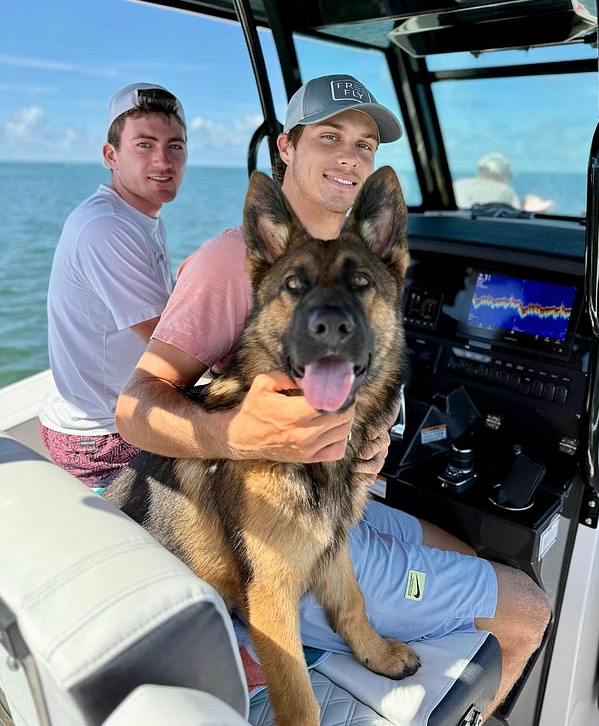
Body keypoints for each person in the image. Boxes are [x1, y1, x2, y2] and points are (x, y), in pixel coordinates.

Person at [116, 74, 550, 717]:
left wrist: (369, 439)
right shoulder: (229, 260)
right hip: (274, 525)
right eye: (329, 136)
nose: (350, 156)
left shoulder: (360, 259)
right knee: (526, 606)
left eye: (365, 144)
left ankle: (382, 634)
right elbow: (132, 409)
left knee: (469, 553)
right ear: (287, 147)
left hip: (341, 503)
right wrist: (235, 432)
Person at [39, 83, 188, 491]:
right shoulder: (106, 227)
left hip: (104, 411)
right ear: (111, 155)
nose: (163, 160)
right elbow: (172, 347)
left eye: (175, 145)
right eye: (144, 144)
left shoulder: (141, 215)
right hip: (100, 438)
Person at [454, 152, 554, 212]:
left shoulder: (457, 185)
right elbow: (515, 218)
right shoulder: (505, 191)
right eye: (507, 175)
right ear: (501, 175)